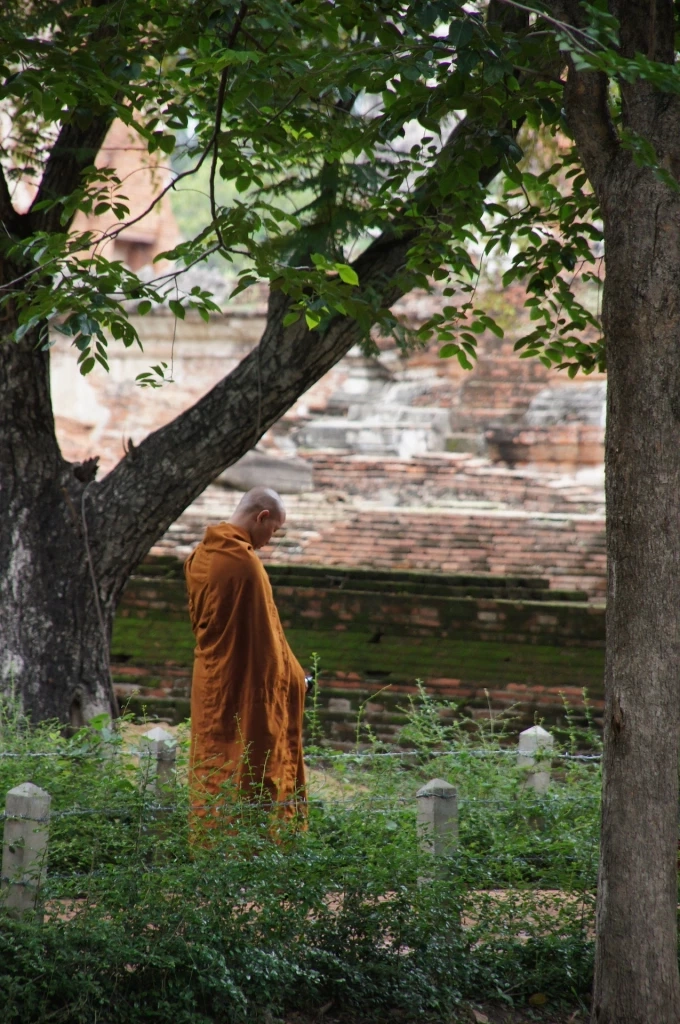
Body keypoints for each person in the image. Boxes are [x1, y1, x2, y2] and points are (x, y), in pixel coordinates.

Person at [184, 487, 307, 825]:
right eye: (274, 530)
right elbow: (265, 642)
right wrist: (294, 679)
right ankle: (249, 848)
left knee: (212, 764)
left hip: (210, 682)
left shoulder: (200, 555)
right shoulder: (245, 564)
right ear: (262, 517)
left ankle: (207, 840)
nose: (270, 540)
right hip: (243, 689)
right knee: (248, 769)